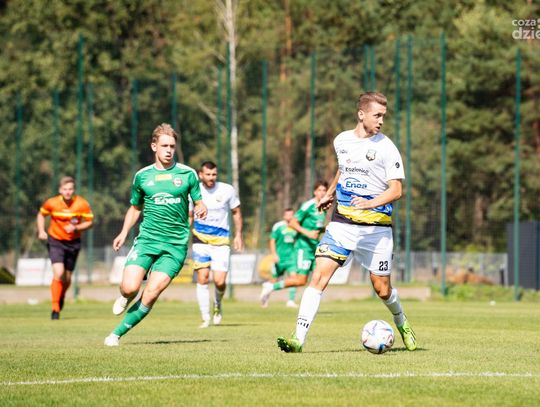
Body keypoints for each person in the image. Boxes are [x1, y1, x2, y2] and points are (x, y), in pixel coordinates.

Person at [276, 92, 417, 353]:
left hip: (376, 231)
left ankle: (401, 321)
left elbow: (396, 190)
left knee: (382, 289)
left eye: (383, 116)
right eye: (377, 115)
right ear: (361, 114)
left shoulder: (387, 148)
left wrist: (370, 203)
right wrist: (329, 193)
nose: (381, 121)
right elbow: (343, 169)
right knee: (318, 277)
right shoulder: (341, 140)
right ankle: (298, 339)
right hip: (341, 225)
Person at [104, 123, 207, 346]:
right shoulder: (142, 176)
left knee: (151, 293)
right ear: (154, 146)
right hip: (147, 241)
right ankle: (125, 296)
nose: (169, 150)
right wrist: (123, 232)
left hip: (175, 246)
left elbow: (199, 202)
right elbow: (135, 207)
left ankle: (115, 335)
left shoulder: (187, 174)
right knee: (130, 287)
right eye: (164, 146)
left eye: (172, 146)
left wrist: (201, 208)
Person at [191, 161, 243, 328]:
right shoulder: (194, 191)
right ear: (201, 175)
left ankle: (217, 304)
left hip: (221, 241)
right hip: (200, 239)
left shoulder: (227, 190)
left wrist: (238, 235)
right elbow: (189, 215)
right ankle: (205, 317)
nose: (211, 177)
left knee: (220, 281)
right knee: (203, 278)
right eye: (208, 174)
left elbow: (236, 212)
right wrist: (184, 235)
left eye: (214, 174)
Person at [260, 181, 328, 307]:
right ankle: (271, 286)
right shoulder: (308, 206)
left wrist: (325, 229)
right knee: (301, 280)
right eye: (319, 190)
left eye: (324, 190)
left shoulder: (324, 207)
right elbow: (292, 223)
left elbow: (315, 228)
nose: (322, 193)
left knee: (319, 277)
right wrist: (308, 233)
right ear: (315, 192)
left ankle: (310, 305)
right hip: (304, 248)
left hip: (315, 248)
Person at [37, 176, 94, 320]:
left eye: (70, 189)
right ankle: (55, 308)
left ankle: (61, 295)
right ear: (60, 190)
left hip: (73, 243)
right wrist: (41, 231)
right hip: (55, 240)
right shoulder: (52, 202)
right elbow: (41, 215)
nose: (67, 192)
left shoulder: (81, 204)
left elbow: (89, 222)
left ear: (73, 190)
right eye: (65, 189)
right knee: (59, 272)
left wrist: (76, 227)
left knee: (67, 279)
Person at [267, 208, 298, 308]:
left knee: (294, 278)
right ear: (284, 216)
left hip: (291, 258)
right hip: (279, 258)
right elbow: (272, 241)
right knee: (273, 280)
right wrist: (274, 254)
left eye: (291, 215)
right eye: (287, 215)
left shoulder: (296, 226)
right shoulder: (278, 226)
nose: (289, 217)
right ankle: (265, 296)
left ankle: (291, 301)